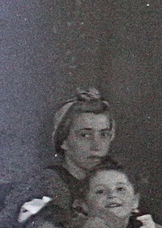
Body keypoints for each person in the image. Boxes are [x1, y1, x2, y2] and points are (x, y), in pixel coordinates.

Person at [6, 88, 118, 217]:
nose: (97, 145)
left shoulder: (115, 180)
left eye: (104, 134)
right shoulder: (46, 184)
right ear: (64, 141)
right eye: (85, 135)